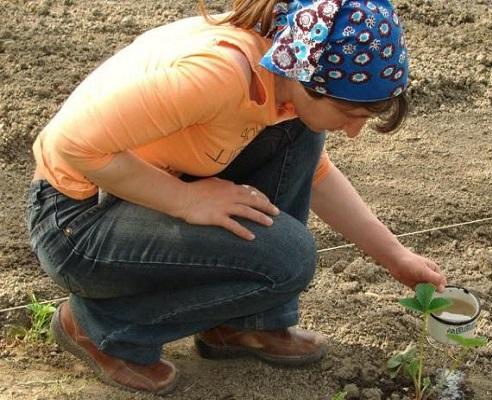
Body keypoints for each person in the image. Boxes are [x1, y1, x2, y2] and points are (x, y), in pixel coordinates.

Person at [26, 0, 447, 395]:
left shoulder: (285, 70)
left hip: (132, 188)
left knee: (299, 133)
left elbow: (314, 174)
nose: (354, 131)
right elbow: (69, 145)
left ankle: (245, 325)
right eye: (350, 114)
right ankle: (100, 328)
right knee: (288, 260)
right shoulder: (220, 75)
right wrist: (186, 200)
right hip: (75, 225)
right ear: (308, 78)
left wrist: (394, 255)